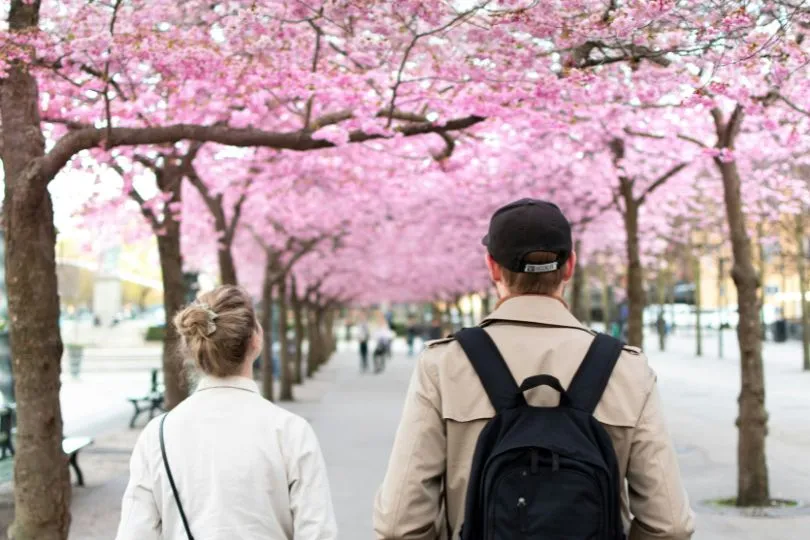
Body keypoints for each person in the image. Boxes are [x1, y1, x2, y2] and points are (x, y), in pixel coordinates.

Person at [373, 199, 694, 539]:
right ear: (569, 266)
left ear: (493, 268)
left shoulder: (445, 364)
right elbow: (670, 525)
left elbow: (399, 524)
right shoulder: (626, 368)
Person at [116, 285, 337, 540]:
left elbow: (135, 532)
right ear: (256, 340)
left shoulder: (158, 434)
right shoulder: (291, 431)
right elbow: (318, 532)